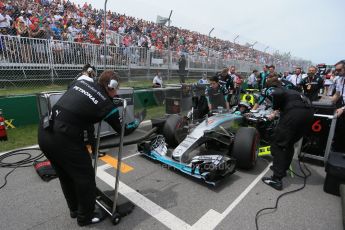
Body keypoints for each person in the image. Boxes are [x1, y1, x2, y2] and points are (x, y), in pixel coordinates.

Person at [38, 70, 146, 226]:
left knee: (66, 176)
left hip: (45, 131)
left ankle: (75, 210)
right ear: (112, 86)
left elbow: (80, 104)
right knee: (86, 178)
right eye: (116, 89)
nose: (116, 93)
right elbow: (125, 129)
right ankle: (85, 217)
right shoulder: (106, 105)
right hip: (64, 139)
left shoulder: (81, 82)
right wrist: (138, 119)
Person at [259, 77, 314, 190]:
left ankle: (276, 179)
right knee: (289, 144)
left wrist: (274, 108)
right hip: (308, 114)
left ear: (271, 86)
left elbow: (277, 94)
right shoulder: (293, 91)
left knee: (279, 145)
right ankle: (282, 169)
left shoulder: (277, 90)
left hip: (294, 115)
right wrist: (277, 112)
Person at [331, 60, 345, 152]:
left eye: (339, 70)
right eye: (336, 70)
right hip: (342, 105)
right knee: (339, 128)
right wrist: (329, 104)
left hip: (343, 107)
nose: (336, 72)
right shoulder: (340, 79)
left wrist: (343, 109)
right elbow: (338, 94)